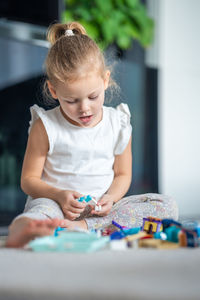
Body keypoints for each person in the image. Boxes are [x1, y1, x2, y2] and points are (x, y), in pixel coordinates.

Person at [6, 22, 178, 248]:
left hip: (99, 212)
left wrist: (111, 199)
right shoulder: (46, 125)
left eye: (93, 97)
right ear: (53, 90)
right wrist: (59, 195)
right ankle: (28, 227)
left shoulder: (119, 122)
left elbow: (123, 174)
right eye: (72, 101)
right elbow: (28, 181)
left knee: (166, 205)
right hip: (56, 206)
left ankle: (84, 228)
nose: (84, 108)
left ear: (105, 80)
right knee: (41, 210)